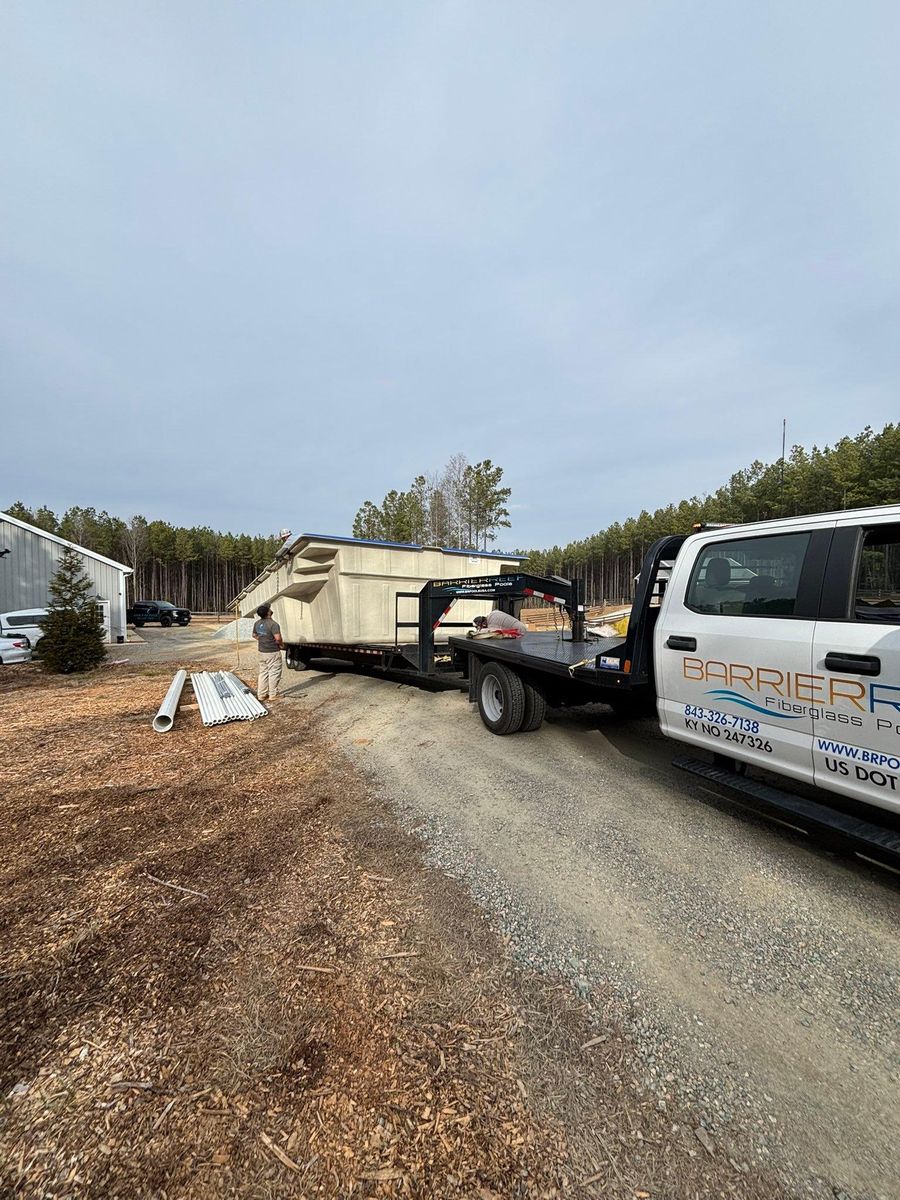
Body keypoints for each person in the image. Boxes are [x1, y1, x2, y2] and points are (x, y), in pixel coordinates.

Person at [252, 603, 283, 701]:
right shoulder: (273, 624)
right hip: (272, 651)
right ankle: (273, 695)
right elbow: (277, 638)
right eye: (269, 609)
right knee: (274, 672)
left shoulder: (257, 623)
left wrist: (262, 640)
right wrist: (281, 644)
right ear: (268, 612)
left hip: (262, 651)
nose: (270, 610)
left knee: (263, 673)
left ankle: (261, 695)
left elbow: (254, 635)